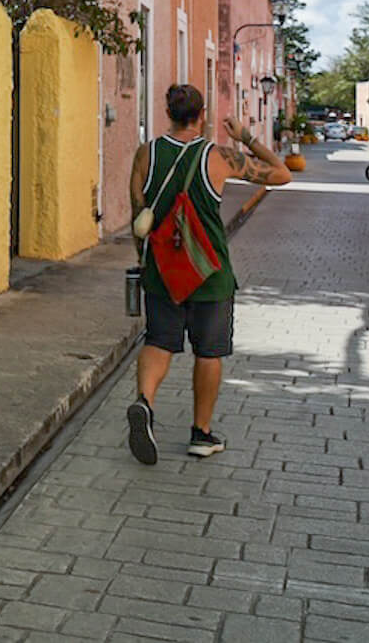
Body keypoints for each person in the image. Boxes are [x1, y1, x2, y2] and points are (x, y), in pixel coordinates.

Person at [124, 85, 290, 464]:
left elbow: (139, 216)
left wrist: (146, 262)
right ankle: (201, 433)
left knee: (159, 341)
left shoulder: (146, 155)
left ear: (167, 112)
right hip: (209, 271)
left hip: (163, 270)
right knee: (209, 352)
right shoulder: (219, 157)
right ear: (202, 115)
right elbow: (282, 174)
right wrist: (245, 136)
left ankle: (145, 403)